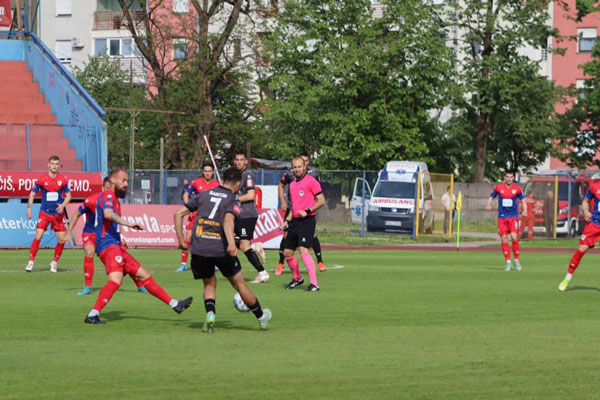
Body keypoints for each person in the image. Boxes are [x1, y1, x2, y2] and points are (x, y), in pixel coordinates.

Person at [84, 168, 193, 324]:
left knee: (144, 274)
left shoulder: (114, 199)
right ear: (112, 181)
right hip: (108, 246)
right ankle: (93, 314)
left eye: (127, 181)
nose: (126, 184)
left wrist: (121, 237)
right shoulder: (108, 195)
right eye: (123, 180)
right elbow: (108, 214)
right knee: (115, 280)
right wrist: (128, 224)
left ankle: (175, 304)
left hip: (115, 246)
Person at [174, 167, 272, 332]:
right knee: (240, 284)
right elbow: (228, 221)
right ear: (238, 183)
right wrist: (231, 244)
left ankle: (210, 314)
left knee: (209, 284)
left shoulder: (204, 194)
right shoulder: (233, 200)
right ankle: (262, 318)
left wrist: (181, 240)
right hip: (220, 248)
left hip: (199, 248)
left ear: (223, 180)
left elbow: (178, 214)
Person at [65, 177, 148, 296]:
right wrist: (68, 233)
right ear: (103, 188)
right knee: (89, 251)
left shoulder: (114, 202)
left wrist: (121, 236)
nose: (109, 191)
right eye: (107, 188)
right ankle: (87, 287)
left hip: (108, 235)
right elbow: (77, 214)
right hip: (91, 233)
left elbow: (116, 221)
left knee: (123, 259)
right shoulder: (91, 200)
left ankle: (140, 285)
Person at [279, 156, 326, 291]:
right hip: (294, 222)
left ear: (305, 167)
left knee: (304, 250)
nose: (297, 169)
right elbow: (293, 207)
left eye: (299, 167)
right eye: (295, 167)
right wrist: (286, 221)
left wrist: (308, 211)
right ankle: (298, 278)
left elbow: (321, 201)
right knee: (287, 253)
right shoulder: (292, 184)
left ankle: (314, 284)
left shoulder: (312, 181)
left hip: (307, 220)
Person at [25, 155, 72, 273]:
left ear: (59, 166)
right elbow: (32, 194)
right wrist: (29, 208)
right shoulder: (41, 179)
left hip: (58, 214)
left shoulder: (62, 180)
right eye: (52, 164)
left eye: (56, 164)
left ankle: (54, 262)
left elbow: (69, 196)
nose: (54, 166)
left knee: (61, 240)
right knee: (38, 236)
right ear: (48, 165)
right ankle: (31, 261)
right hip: (44, 213)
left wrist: (62, 205)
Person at [233, 152, 270, 283]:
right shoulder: (235, 175)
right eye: (237, 160)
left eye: (241, 160)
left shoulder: (247, 175)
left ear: (246, 162)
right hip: (238, 215)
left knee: (244, 245)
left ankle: (263, 273)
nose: (239, 162)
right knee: (228, 239)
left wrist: (234, 199)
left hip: (247, 215)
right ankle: (254, 246)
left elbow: (250, 195)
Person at [176, 163, 220, 272]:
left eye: (209, 171)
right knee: (188, 237)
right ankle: (183, 264)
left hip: (209, 216)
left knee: (210, 238)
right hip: (196, 214)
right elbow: (185, 195)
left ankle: (214, 263)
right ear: (203, 172)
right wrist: (189, 207)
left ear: (213, 172)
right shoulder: (196, 182)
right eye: (205, 171)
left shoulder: (217, 184)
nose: (207, 173)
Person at [558, 181, 600, 291]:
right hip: (594, 224)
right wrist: (585, 211)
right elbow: (585, 201)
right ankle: (567, 278)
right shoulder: (595, 187)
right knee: (580, 251)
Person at [486, 170, 527, 271]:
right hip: (502, 217)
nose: (509, 179)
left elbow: (523, 200)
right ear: (504, 178)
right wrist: (489, 204)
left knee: (514, 237)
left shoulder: (517, 189)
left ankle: (516, 260)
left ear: (513, 178)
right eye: (507, 177)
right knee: (504, 238)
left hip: (513, 217)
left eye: (511, 177)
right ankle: (508, 262)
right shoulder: (499, 187)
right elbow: (491, 197)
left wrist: (525, 210)